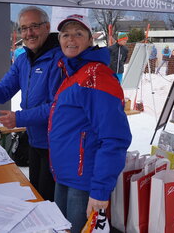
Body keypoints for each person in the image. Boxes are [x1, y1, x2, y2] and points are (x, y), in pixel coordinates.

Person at [0, 6, 64, 201]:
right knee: (37, 195)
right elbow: (3, 92)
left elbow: (57, 106)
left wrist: (20, 117)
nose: (28, 33)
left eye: (34, 26)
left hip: (55, 144)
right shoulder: (23, 59)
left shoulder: (59, 59)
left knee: (48, 201)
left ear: (47, 27)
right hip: (35, 140)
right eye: (24, 28)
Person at [48, 14, 131, 233]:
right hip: (65, 175)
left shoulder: (96, 75)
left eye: (78, 34)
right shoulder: (74, 73)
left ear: (90, 40)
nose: (71, 39)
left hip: (84, 181)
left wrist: (100, 190)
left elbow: (114, 137)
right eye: (65, 34)